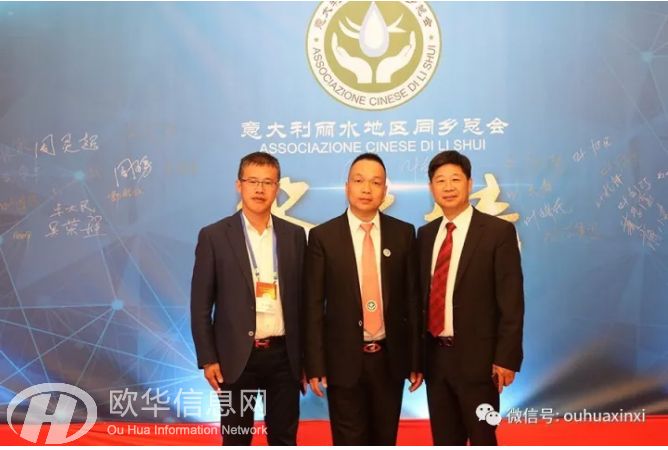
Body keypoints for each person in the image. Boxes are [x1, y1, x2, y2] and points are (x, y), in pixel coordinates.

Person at [304, 153, 423, 445]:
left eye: (375, 182)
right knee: (348, 440)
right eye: (359, 181)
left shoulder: (403, 234)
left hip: (389, 360)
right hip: (343, 361)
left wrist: (416, 359)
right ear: (347, 187)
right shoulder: (323, 237)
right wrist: (315, 364)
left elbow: (413, 301)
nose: (366, 189)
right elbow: (313, 306)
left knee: (385, 439)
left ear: (385, 190)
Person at [190, 152, 306, 445]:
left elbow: (303, 302)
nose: (259, 189)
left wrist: (306, 358)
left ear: (277, 188)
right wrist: (208, 358)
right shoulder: (214, 236)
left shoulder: (294, 236)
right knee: (236, 437)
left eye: (268, 182)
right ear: (238, 185)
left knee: (284, 438)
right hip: (235, 358)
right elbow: (200, 305)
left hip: (284, 357)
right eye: (252, 181)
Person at [417, 150, 524, 445]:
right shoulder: (425, 235)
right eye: (440, 180)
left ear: (469, 183)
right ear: (431, 188)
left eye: (455, 179)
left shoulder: (497, 232)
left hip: (480, 362)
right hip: (436, 359)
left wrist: (506, 358)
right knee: (444, 440)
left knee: (482, 437)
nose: (448, 187)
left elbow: (511, 300)